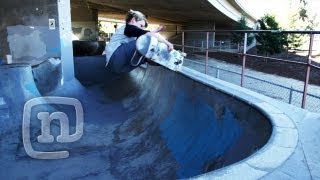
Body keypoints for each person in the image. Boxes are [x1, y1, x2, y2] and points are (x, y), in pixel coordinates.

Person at [105, 9, 174, 73]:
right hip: (115, 57)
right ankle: (144, 55)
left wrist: (157, 30)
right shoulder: (128, 28)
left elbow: (144, 33)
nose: (141, 28)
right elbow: (148, 35)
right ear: (133, 20)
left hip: (120, 67)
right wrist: (168, 43)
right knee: (144, 41)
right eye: (141, 25)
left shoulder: (131, 31)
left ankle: (165, 62)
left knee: (147, 57)